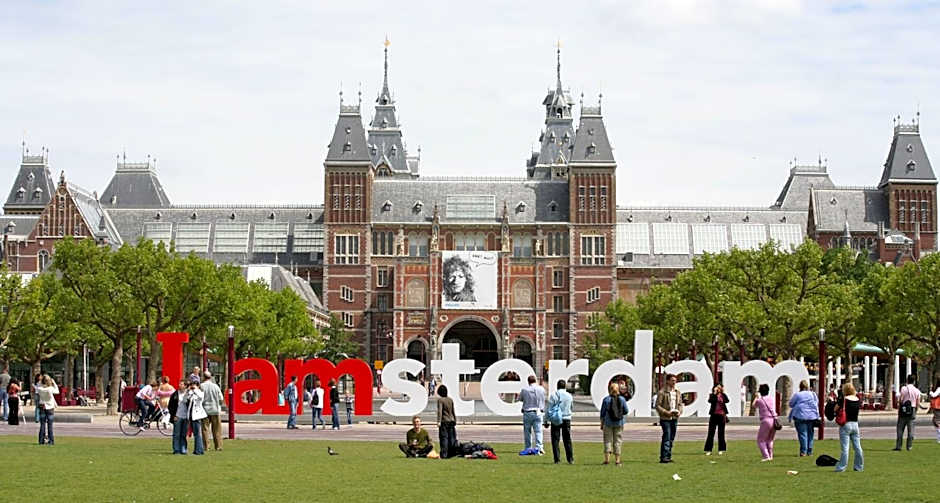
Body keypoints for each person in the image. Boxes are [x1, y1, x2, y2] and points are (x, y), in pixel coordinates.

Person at [834, 382, 863, 472]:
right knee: (858, 447)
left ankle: (841, 467)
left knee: (845, 448)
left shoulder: (844, 399)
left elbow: (835, 409)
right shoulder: (858, 399)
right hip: (855, 424)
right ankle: (859, 466)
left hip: (846, 424)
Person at [788, 380, 820, 457]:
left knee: (802, 434)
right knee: (810, 434)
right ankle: (810, 451)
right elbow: (816, 402)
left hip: (800, 415)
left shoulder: (798, 395)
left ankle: (803, 451)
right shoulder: (812, 394)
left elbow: (791, 404)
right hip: (811, 416)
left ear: (800, 386)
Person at [545, 379, 574, 464]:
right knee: (567, 439)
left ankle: (557, 459)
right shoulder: (569, 396)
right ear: (565, 386)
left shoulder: (554, 395)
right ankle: (570, 459)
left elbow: (549, 409)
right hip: (567, 418)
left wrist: (546, 420)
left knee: (555, 440)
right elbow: (571, 407)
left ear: (557, 386)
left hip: (556, 419)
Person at [655, 374, 682, 463]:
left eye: (675, 380)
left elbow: (680, 404)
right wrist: (666, 412)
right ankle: (664, 457)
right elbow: (657, 406)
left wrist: (680, 412)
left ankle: (668, 455)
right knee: (667, 436)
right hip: (665, 418)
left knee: (671, 437)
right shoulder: (662, 392)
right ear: (668, 381)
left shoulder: (677, 392)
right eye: (672, 380)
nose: (674, 382)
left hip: (674, 417)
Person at [600, 382, 628, 466]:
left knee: (607, 440)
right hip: (619, 423)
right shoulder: (622, 399)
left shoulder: (606, 400)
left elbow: (602, 413)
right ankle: (617, 460)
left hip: (608, 422)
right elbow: (626, 411)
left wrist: (602, 423)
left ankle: (607, 460)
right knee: (618, 440)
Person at [893, 374, 922, 451]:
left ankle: (898, 446)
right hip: (912, 409)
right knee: (911, 430)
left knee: (900, 429)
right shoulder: (917, 391)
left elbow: (901, 400)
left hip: (903, 410)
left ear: (907, 380)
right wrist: (916, 410)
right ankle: (909, 446)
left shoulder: (903, 389)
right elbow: (918, 403)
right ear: (914, 381)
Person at [519, 375, 546, 454]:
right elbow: (543, 399)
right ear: (535, 380)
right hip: (538, 411)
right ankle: (539, 447)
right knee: (538, 431)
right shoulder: (541, 389)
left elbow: (520, 399)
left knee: (527, 431)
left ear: (528, 381)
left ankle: (528, 448)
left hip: (527, 412)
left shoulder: (524, 389)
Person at [183, 376, 207, 455]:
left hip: (196, 416)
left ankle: (199, 450)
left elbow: (200, 397)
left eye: (195, 384)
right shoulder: (190, 393)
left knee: (197, 434)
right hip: (190, 416)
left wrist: (195, 389)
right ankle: (198, 450)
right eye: (192, 384)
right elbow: (184, 400)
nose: (193, 385)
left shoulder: (200, 392)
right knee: (192, 434)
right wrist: (187, 391)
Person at [200, 371, 223, 451]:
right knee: (217, 429)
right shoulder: (216, 386)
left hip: (204, 411)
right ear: (210, 377)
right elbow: (221, 399)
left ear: (203, 377)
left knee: (205, 429)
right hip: (215, 410)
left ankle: (206, 446)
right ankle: (218, 446)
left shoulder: (201, 386)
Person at [753, 383, 777, 461]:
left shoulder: (760, 400)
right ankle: (770, 455)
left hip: (766, 420)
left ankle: (766, 456)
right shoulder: (771, 399)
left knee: (761, 440)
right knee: (770, 439)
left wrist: (756, 397)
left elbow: (754, 405)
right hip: (774, 419)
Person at [704, 384, 729, 456]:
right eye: (717, 387)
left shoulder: (723, 395)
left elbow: (727, 401)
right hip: (713, 415)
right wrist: (715, 393)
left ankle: (721, 449)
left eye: (719, 387)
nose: (718, 388)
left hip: (721, 416)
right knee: (711, 433)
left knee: (721, 433)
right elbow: (710, 401)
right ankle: (708, 450)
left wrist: (722, 394)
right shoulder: (712, 395)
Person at [36, 375, 58, 445]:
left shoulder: (40, 388)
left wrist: (41, 381)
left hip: (42, 405)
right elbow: (57, 391)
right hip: (50, 407)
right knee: (50, 425)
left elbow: (37, 386)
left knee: (42, 424)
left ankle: (41, 440)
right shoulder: (50, 388)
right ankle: (51, 440)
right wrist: (54, 382)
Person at [436, 385, 457, 458]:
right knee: (451, 438)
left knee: (444, 438)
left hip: (444, 421)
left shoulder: (440, 400)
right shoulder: (450, 400)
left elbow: (440, 411)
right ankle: (451, 453)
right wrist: (455, 419)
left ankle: (444, 454)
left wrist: (438, 421)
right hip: (451, 421)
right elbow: (453, 411)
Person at [168, 380, 185, 454]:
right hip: (177, 416)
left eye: (182, 384)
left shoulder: (187, 394)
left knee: (183, 434)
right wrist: (173, 415)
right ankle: (176, 449)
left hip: (185, 416)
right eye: (179, 384)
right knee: (176, 434)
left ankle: (183, 448)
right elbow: (170, 406)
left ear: (185, 386)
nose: (180, 385)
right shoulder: (174, 394)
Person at [929, 379, 940, 444]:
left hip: (938, 407)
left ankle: (939, 438)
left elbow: (934, 395)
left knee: (937, 422)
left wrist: (930, 392)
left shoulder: (939, 388)